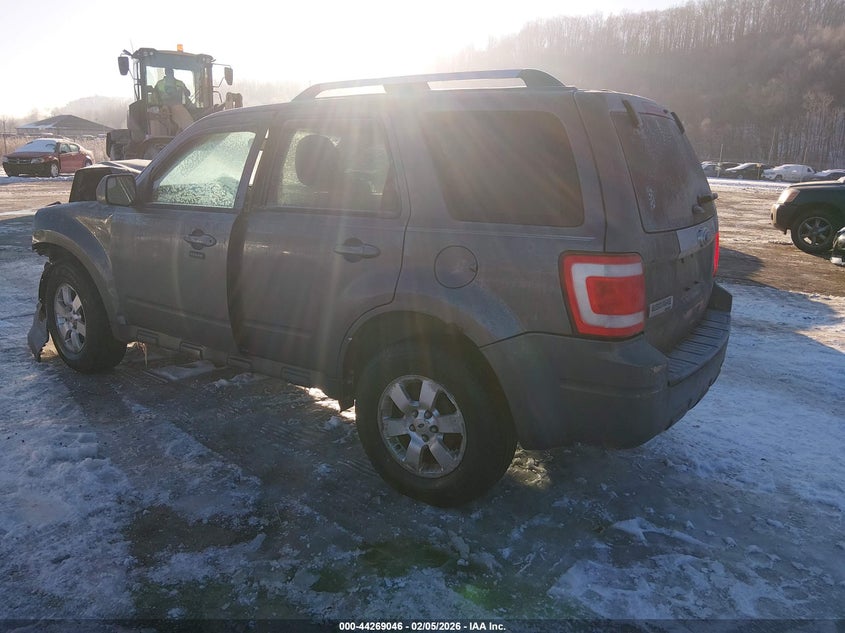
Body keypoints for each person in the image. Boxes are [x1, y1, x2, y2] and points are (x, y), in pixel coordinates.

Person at [151, 68, 194, 133]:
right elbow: (154, 98)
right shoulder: (159, 84)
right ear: (166, 72)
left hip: (177, 109)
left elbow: (187, 94)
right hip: (165, 110)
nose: (170, 72)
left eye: (170, 71)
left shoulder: (179, 83)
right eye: (169, 71)